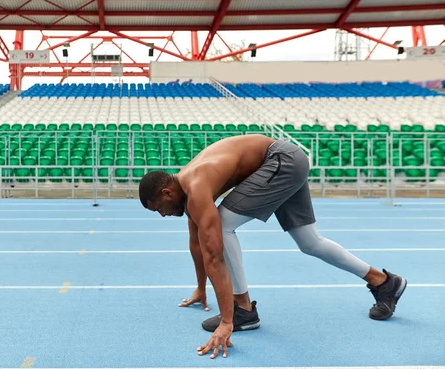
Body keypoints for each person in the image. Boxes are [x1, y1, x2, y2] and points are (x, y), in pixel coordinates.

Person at [138, 134, 406, 359]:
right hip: (287, 160)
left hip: (280, 160)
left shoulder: (196, 188)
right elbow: (196, 245)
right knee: (309, 241)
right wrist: (200, 288)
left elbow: (214, 256)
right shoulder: (187, 189)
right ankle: (384, 282)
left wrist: (227, 322)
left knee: (222, 223)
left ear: (166, 193)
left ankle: (243, 310)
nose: (162, 215)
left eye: (158, 210)